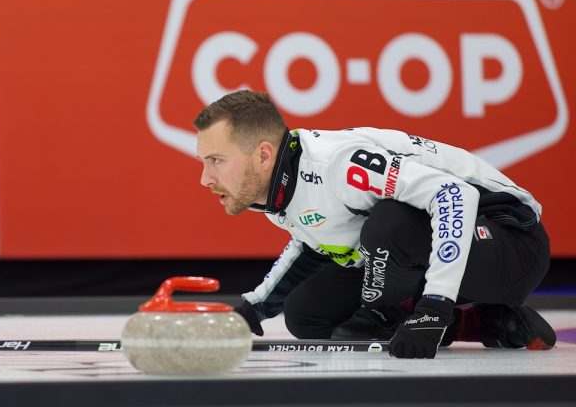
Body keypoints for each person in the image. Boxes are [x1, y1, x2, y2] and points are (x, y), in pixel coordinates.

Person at [193, 90, 556, 359]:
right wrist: (251, 310)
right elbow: (316, 242)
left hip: (512, 240)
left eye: (216, 160)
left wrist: (435, 303)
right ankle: (482, 321)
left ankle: (419, 312)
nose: (205, 179)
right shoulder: (279, 188)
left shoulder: (337, 163)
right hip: (440, 253)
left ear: (262, 154)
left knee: (389, 223)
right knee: (307, 314)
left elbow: (454, 195)